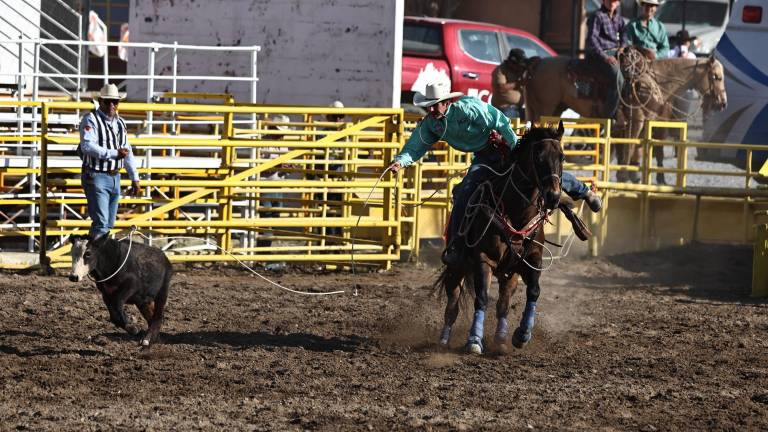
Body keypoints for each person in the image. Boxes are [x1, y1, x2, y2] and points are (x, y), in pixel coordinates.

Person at [387, 81, 602, 266]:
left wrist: (514, 147)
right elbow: (416, 146)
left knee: (542, 170)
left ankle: (584, 192)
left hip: (506, 147)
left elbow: (499, 120)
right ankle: (456, 246)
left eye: (434, 106)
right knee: (464, 191)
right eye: (429, 107)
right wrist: (399, 162)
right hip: (483, 156)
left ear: (446, 102)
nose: (432, 111)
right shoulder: (432, 126)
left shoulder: (467, 108)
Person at [79, 83, 140, 239]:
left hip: (114, 176)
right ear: (100, 101)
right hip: (96, 174)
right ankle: (97, 261)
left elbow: (127, 150)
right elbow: (87, 146)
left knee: (108, 223)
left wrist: (135, 177)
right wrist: (114, 154)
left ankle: (94, 258)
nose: (112, 105)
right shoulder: (90, 119)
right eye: (108, 101)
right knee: (102, 223)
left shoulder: (120, 123)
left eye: (115, 101)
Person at [586, 0, 627, 119]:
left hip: (615, 53)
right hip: (599, 55)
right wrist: (605, 57)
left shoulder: (619, 18)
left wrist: (622, 47)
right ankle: (608, 116)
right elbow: (592, 40)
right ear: (604, 1)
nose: (611, 3)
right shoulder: (597, 16)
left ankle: (624, 109)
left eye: (614, 1)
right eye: (609, 0)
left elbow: (624, 33)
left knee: (632, 72)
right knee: (618, 79)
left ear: (618, 3)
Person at [491, 48, 526, 119]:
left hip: (519, 108)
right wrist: (518, 83)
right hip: (505, 109)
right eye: (517, 64)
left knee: (533, 122)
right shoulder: (501, 70)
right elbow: (501, 88)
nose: (519, 67)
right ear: (511, 62)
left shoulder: (520, 71)